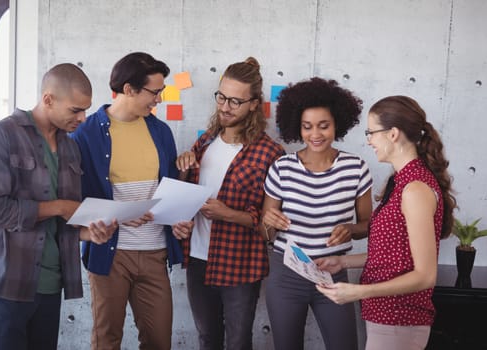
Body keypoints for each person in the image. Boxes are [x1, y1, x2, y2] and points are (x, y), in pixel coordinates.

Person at [0, 63, 117, 350]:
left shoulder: (70, 146)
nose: (83, 118)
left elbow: (60, 224)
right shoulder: (0, 136)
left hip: (51, 284)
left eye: (85, 109)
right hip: (5, 281)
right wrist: (60, 206)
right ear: (48, 99)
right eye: (75, 110)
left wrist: (89, 234)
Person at [315, 95, 457, 350]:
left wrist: (358, 292)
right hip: (386, 317)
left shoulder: (415, 189)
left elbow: (425, 276)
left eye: (371, 132)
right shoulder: (402, 182)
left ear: (393, 134)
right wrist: (343, 262)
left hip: (399, 318)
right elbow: (393, 255)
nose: (369, 140)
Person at [70, 52, 183, 350]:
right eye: (155, 92)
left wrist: (181, 218)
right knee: (107, 339)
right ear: (130, 89)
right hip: (110, 254)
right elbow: (72, 200)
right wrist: (119, 215)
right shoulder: (85, 133)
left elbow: (170, 188)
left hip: (155, 251)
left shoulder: (161, 131)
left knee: (159, 341)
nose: (159, 99)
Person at [173, 57, 285, 350]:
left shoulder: (270, 153)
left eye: (235, 101)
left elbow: (269, 224)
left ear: (253, 104)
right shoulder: (205, 142)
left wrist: (228, 214)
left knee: (237, 341)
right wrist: (184, 170)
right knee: (207, 339)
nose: (224, 106)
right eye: (221, 97)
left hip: (239, 262)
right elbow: (185, 200)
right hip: (197, 258)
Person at [261, 77, 373, 350]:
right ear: (297, 128)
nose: (316, 134)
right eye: (307, 127)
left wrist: (350, 229)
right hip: (286, 274)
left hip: (333, 272)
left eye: (324, 126)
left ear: (337, 124)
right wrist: (268, 222)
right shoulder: (282, 167)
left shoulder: (355, 168)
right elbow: (266, 231)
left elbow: (368, 225)